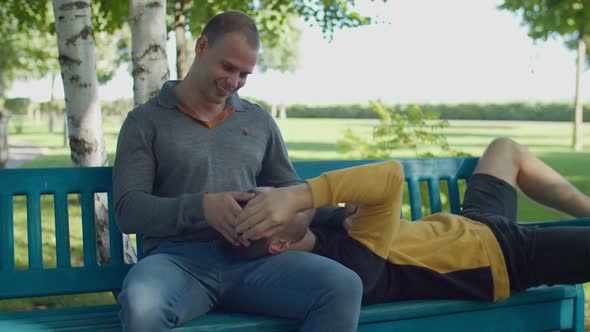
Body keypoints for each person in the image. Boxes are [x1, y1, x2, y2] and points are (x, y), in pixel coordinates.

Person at [113, 10, 362, 331]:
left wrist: (340, 216)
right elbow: (128, 211)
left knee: (343, 286)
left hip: (254, 263)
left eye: (244, 74)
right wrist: (202, 207)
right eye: (227, 67)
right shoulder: (145, 122)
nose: (233, 82)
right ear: (201, 47)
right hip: (177, 264)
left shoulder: (257, 121)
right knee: (141, 304)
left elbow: (293, 193)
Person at [234, 137, 590, 304]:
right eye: (269, 211)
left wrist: (335, 212)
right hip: (504, 258)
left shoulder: (316, 228)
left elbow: (354, 207)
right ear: (279, 244)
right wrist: (299, 196)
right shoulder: (350, 266)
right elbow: (389, 177)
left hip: (474, 222)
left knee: (504, 149)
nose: (276, 198)